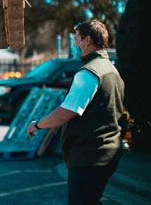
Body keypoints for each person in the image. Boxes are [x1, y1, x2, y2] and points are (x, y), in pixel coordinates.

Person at [26, 19, 125, 205]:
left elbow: (67, 111)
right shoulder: (112, 70)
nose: (74, 43)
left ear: (87, 40)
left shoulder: (88, 72)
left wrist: (37, 124)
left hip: (89, 155)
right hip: (108, 151)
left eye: (76, 38)